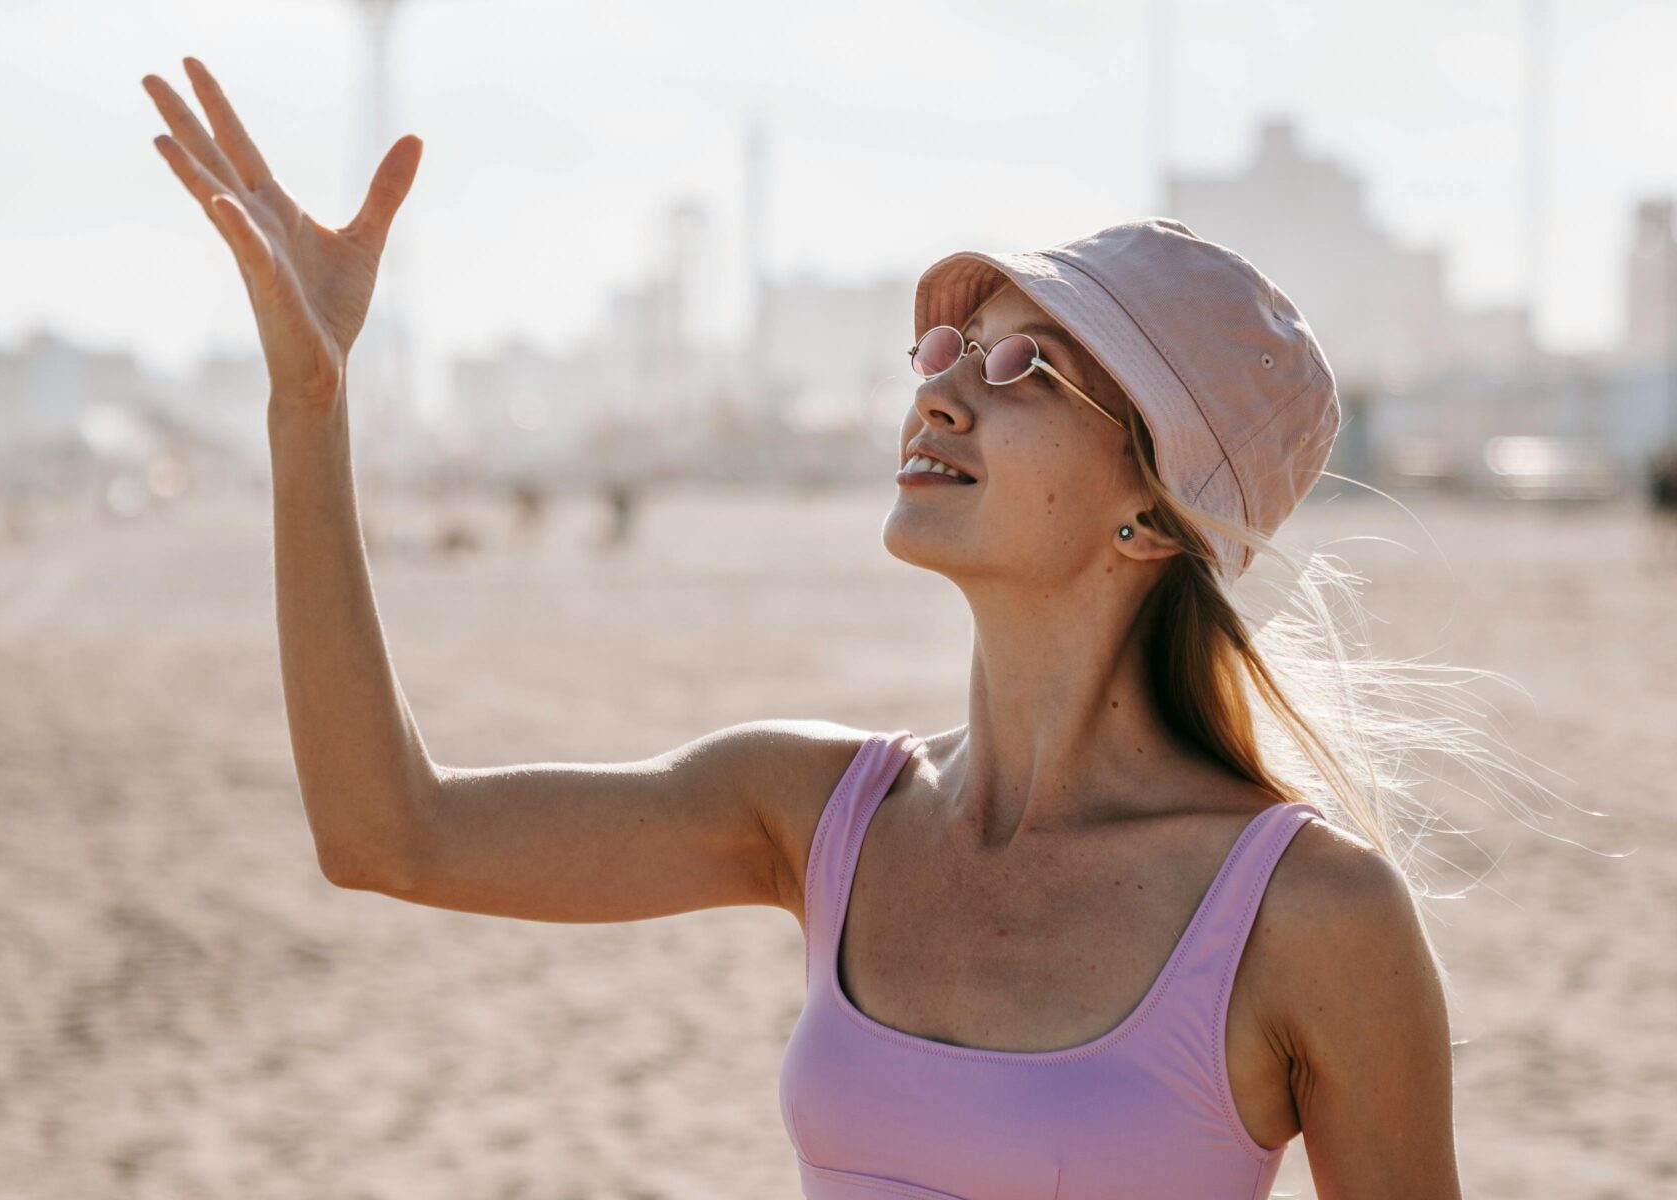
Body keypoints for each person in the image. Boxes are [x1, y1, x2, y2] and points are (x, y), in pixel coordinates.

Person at [141, 57, 1477, 1198]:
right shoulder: (818, 812)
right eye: (946, 357)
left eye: (1025, 368)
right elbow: (388, 835)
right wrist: (309, 407)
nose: (943, 394)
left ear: (1153, 514)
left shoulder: (1312, 918)